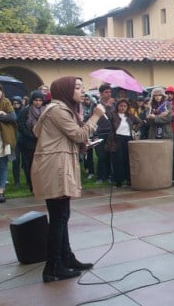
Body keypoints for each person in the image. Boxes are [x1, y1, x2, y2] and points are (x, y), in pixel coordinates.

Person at [31, 76, 105, 282]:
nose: (82, 91)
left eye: (82, 88)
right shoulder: (58, 110)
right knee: (58, 218)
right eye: (78, 87)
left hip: (57, 165)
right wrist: (96, 116)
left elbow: (70, 137)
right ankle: (52, 267)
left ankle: (66, 258)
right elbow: (78, 135)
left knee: (62, 216)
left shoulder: (61, 109)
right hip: (55, 167)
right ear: (64, 90)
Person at [104, 99, 141, 187]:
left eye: (125, 106)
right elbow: (107, 115)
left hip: (128, 139)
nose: (123, 108)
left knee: (127, 159)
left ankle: (129, 179)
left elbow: (140, 122)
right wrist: (108, 106)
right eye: (121, 106)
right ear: (117, 106)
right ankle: (118, 180)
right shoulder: (113, 114)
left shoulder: (130, 116)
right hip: (117, 139)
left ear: (127, 107)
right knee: (117, 160)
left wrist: (134, 130)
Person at [17, 90, 45, 192]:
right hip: (28, 142)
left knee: (42, 165)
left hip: (42, 141)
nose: (38, 103)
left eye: (40, 100)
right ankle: (32, 185)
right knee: (30, 164)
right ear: (32, 100)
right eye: (36, 100)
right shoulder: (26, 111)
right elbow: (21, 125)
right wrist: (31, 135)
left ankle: (41, 184)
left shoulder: (45, 110)